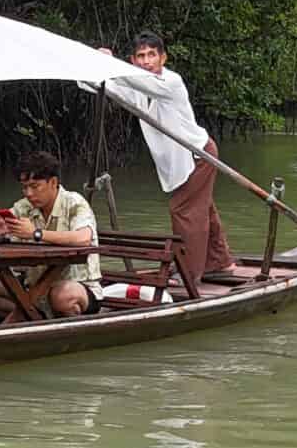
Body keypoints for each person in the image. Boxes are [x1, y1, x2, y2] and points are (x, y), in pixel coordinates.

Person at [92, 30, 237, 291]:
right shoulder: (136, 85)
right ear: (133, 60)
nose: (146, 61)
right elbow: (104, 86)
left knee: (184, 211)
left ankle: (189, 274)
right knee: (202, 208)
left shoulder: (170, 82)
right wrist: (91, 65)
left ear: (163, 58)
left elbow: (137, 82)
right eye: (141, 56)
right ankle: (219, 261)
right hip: (179, 161)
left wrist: (109, 65)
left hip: (197, 155)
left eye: (152, 55)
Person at [0, 150, 100, 318]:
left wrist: (36, 233)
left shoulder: (74, 202)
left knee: (62, 296)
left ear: (53, 182)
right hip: (33, 285)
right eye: (24, 187)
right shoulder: (24, 207)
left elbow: (83, 238)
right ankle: (32, 316)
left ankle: (42, 320)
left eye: (35, 186)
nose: (29, 193)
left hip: (78, 285)